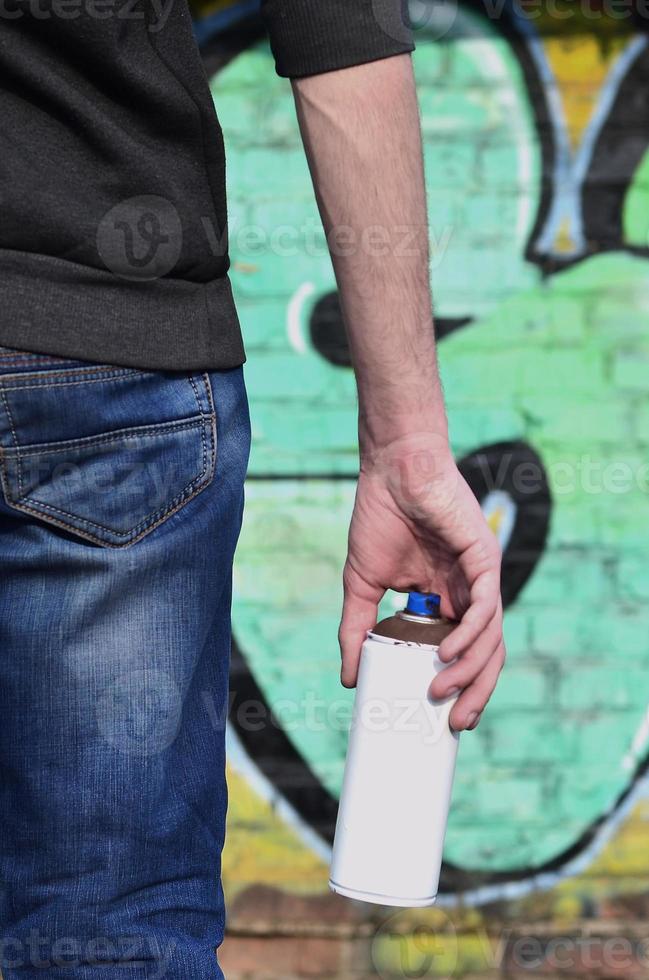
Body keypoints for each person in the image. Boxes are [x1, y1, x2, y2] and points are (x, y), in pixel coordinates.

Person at [0, 0, 505, 975]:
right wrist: (405, 438)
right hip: (103, 356)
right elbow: (337, 24)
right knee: (109, 936)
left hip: (110, 371)